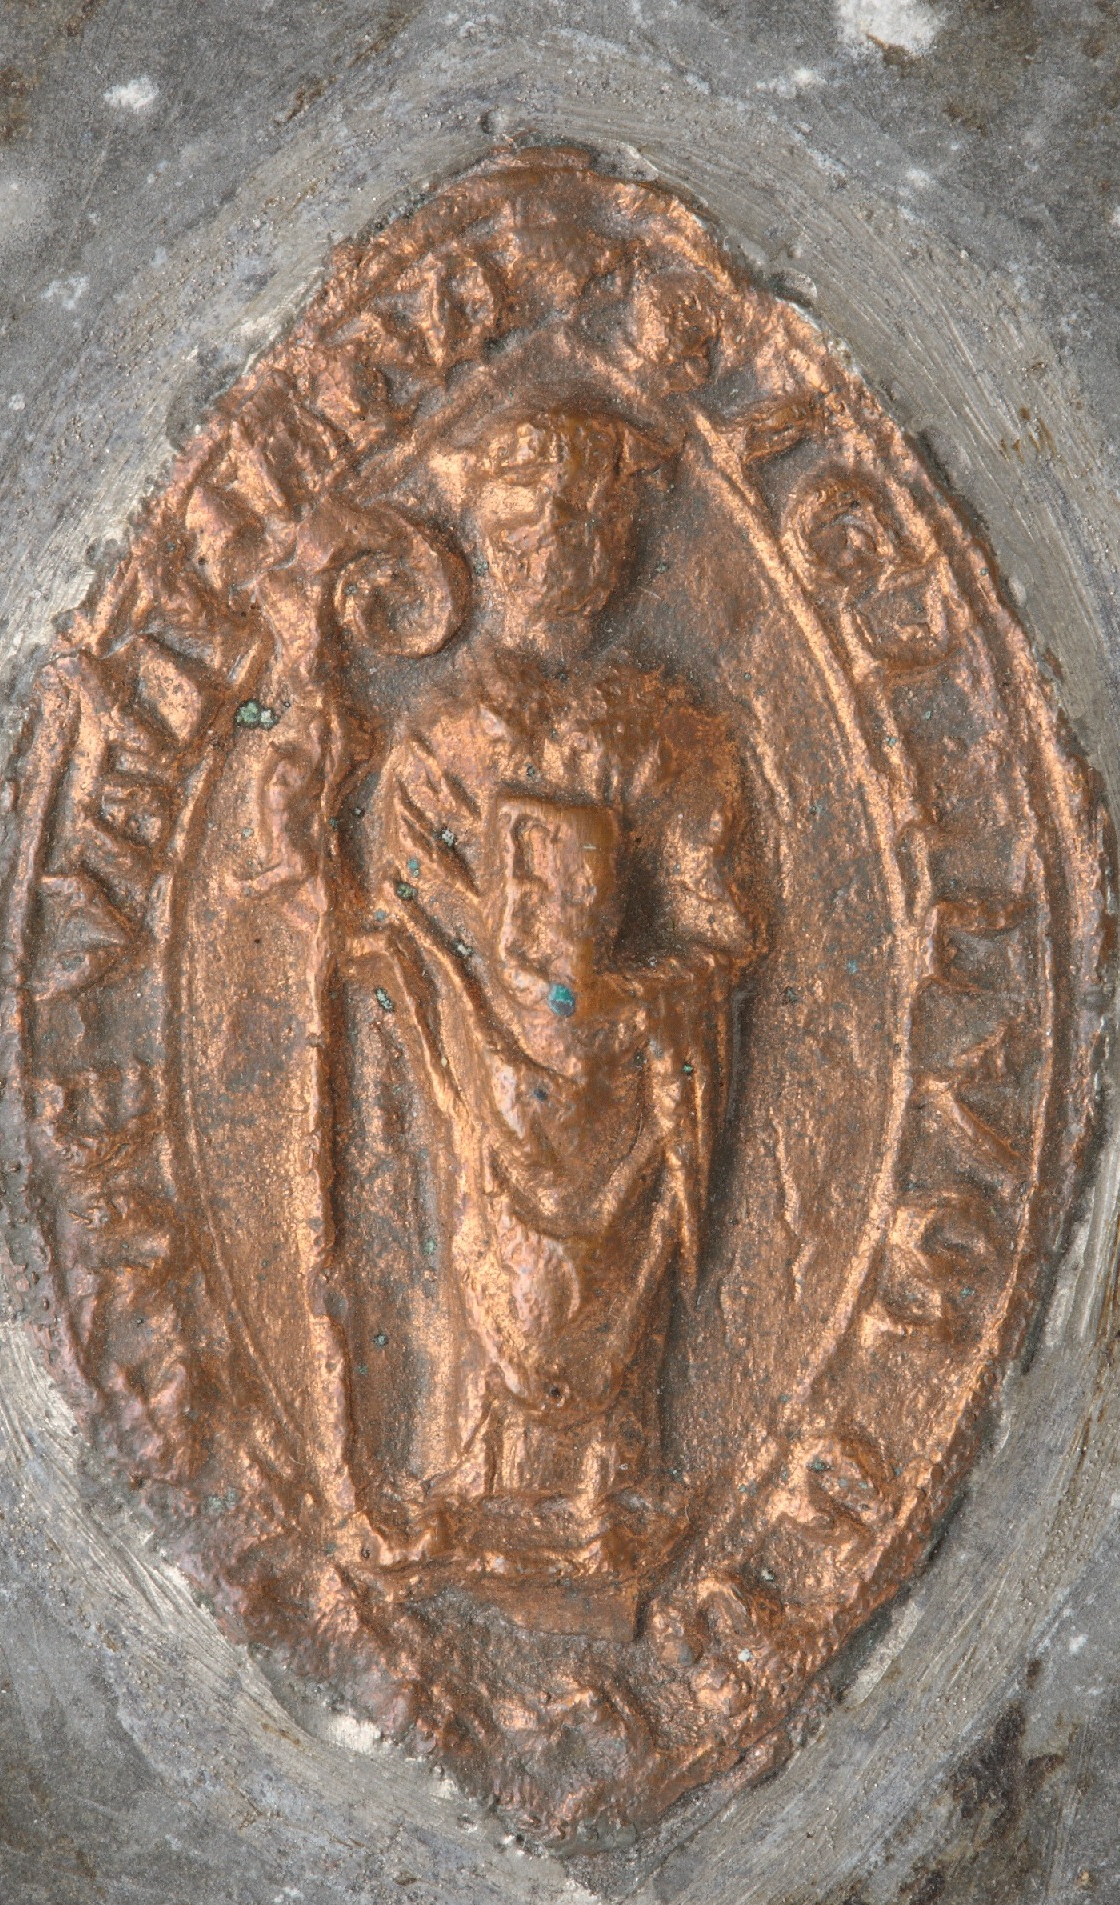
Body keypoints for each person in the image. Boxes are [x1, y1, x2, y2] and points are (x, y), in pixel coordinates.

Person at [356, 404, 761, 1624]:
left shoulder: (667, 735)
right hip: (480, 1081)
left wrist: (620, 1003)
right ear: (488, 546)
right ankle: (469, 1479)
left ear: (622, 547)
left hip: (620, 1095)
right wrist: (478, 990)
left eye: (587, 533)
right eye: (526, 534)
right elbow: (405, 914)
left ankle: (606, 1492)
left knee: (603, 1309)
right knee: (481, 1265)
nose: (558, 562)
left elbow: (720, 931)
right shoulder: (439, 742)